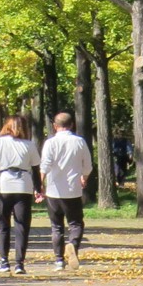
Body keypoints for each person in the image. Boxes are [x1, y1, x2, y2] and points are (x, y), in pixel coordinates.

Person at [0, 114, 41, 275]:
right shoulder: (29, 145)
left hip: (3, 185)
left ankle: (4, 261)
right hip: (23, 185)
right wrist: (38, 189)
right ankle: (20, 263)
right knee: (22, 225)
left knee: (3, 224)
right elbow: (36, 169)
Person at [39, 111, 94, 271]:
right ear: (72, 125)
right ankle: (73, 245)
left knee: (56, 226)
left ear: (55, 126)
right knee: (76, 223)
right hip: (73, 190)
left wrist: (40, 184)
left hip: (53, 191)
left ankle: (58, 260)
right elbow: (88, 164)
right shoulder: (79, 142)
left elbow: (45, 165)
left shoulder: (50, 143)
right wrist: (84, 176)